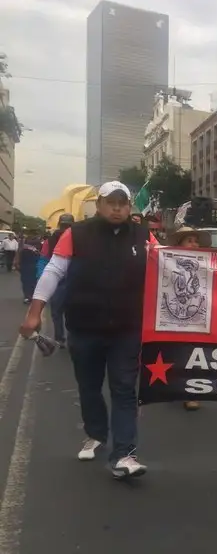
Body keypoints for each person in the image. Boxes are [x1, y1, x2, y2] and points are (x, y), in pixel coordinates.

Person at [20, 181, 157, 479]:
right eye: (111, 202)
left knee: (123, 389)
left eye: (123, 203)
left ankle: (124, 455)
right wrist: (35, 313)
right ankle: (95, 434)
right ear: (99, 205)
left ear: (129, 206)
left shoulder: (145, 236)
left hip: (127, 327)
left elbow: (169, 269)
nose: (118, 208)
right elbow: (54, 270)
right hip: (84, 326)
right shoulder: (76, 234)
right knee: (90, 387)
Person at [167, 226, 212, 411]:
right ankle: (176, 385)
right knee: (177, 354)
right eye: (189, 240)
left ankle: (191, 393)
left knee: (195, 354)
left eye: (196, 240)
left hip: (199, 315)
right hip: (174, 316)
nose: (194, 244)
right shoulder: (166, 262)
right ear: (180, 244)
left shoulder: (207, 262)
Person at [37, 214, 76, 347]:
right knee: (57, 312)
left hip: (74, 282)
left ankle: (70, 338)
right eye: (64, 225)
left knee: (72, 312)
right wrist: (43, 279)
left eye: (68, 225)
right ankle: (60, 338)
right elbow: (43, 260)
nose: (65, 228)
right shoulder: (50, 240)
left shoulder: (80, 239)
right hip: (59, 282)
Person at [14, 231, 42, 304]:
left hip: (28, 265)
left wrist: (16, 263)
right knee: (31, 281)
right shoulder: (38, 244)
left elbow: (18, 253)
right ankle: (30, 296)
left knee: (27, 281)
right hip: (31, 265)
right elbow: (18, 253)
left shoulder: (36, 244)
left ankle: (28, 296)